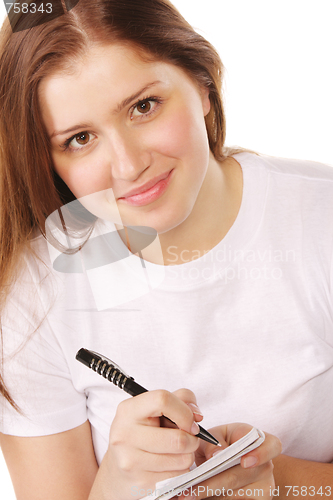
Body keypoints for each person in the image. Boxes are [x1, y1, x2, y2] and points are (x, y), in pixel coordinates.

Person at [0, 1, 332, 499]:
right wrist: (117, 484)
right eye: (80, 138)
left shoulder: (320, 219)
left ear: (201, 81)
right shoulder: (31, 293)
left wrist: (275, 482)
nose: (129, 165)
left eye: (143, 106)